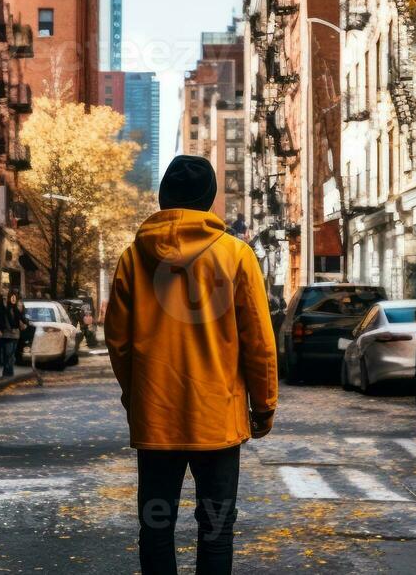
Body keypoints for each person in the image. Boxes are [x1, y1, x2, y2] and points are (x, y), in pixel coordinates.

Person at [106, 155, 277, 575]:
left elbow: (118, 342)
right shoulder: (236, 255)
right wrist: (264, 404)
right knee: (216, 529)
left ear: (164, 196)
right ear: (209, 199)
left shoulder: (134, 257)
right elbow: (258, 340)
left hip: (156, 417)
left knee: (156, 527)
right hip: (216, 418)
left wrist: (136, 395)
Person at [0, 290, 25, 377]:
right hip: (7, 334)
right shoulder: (3, 308)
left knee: (11, 354)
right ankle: (7, 371)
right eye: (4, 298)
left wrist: (22, 324)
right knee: (8, 353)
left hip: (15, 334)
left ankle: (9, 371)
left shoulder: (15, 307)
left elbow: (20, 318)